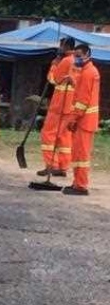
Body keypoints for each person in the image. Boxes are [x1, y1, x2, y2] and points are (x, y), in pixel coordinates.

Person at [62, 43, 100, 196]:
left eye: (78, 56)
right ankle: (77, 182)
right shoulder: (89, 71)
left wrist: (73, 119)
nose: (76, 59)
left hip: (83, 120)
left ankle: (81, 185)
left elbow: (82, 100)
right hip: (87, 120)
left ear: (87, 54)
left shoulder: (87, 73)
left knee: (81, 155)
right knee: (79, 154)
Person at [39, 38, 76, 177]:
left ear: (65, 46)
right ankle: (63, 166)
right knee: (65, 136)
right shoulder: (77, 61)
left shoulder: (65, 61)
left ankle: (50, 165)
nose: (59, 48)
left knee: (48, 133)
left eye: (61, 45)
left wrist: (54, 65)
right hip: (71, 105)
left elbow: (54, 79)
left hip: (60, 103)